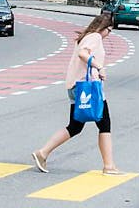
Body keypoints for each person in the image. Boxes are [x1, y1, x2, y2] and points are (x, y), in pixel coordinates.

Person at [32, 13, 123, 176]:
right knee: (104, 124)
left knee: (75, 126)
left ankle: (43, 153)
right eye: (109, 30)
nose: (109, 34)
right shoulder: (95, 37)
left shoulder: (86, 36)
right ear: (103, 27)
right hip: (88, 88)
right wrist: (98, 67)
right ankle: (109, 166)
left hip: (76, 87)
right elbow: (83, 53)